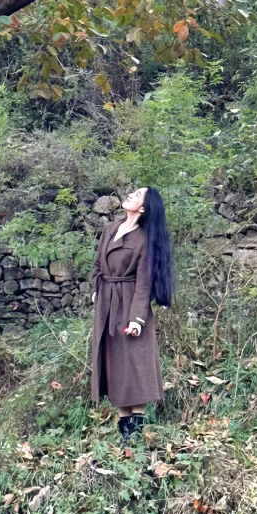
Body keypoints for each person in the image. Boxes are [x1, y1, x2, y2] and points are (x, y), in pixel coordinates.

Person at [89, 185, 173, 440]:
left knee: (135, 369)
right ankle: (125, 430)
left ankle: (135, 431)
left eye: (137, 195)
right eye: (133, 192)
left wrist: (137, 319)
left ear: (144, 208)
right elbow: (97, 264)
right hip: (107, 305)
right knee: (116, 366)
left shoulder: (145, 239)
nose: (130, 195)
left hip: (129, 306)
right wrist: (96, 290)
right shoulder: (110, 229)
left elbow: (144, 283)